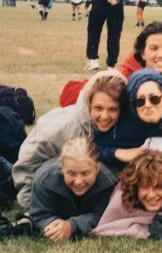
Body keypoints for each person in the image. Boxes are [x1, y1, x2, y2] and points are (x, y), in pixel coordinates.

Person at [13, 70, 126, 210]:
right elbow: (26, 165)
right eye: (98, 108)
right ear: (88, 104)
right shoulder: (61, 127)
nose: (104, 116)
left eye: (112, 109)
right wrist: (33, 205)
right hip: (49, 190)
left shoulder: (120, 130)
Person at [30, 138, 116, 241]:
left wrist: (73, 226)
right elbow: (40, 214)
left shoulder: (108, 183)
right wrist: (55, 227)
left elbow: (102, 216)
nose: (78, 181)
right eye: (72, 173)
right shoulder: (44, 181)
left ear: (97, 168)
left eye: (85, 173)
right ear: (62, 168)